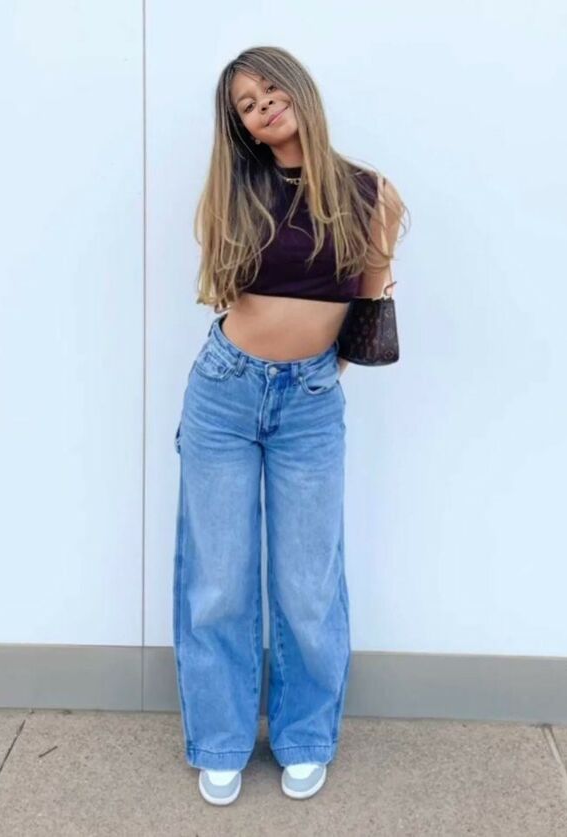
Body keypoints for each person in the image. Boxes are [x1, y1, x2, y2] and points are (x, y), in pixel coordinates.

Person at [172, 45, 408, 806]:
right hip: (224, 392)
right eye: (246, 104)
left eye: (270, 89)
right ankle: (220, 740)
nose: (263, 105)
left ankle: (305, 736)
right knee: (218, 579)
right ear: (240, 126)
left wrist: (316, 377)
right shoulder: (235, 190)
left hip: (308, 400)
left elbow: (368, 308)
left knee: (308, 582)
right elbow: (225, 289)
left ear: (299, 90)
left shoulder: (371, 192)